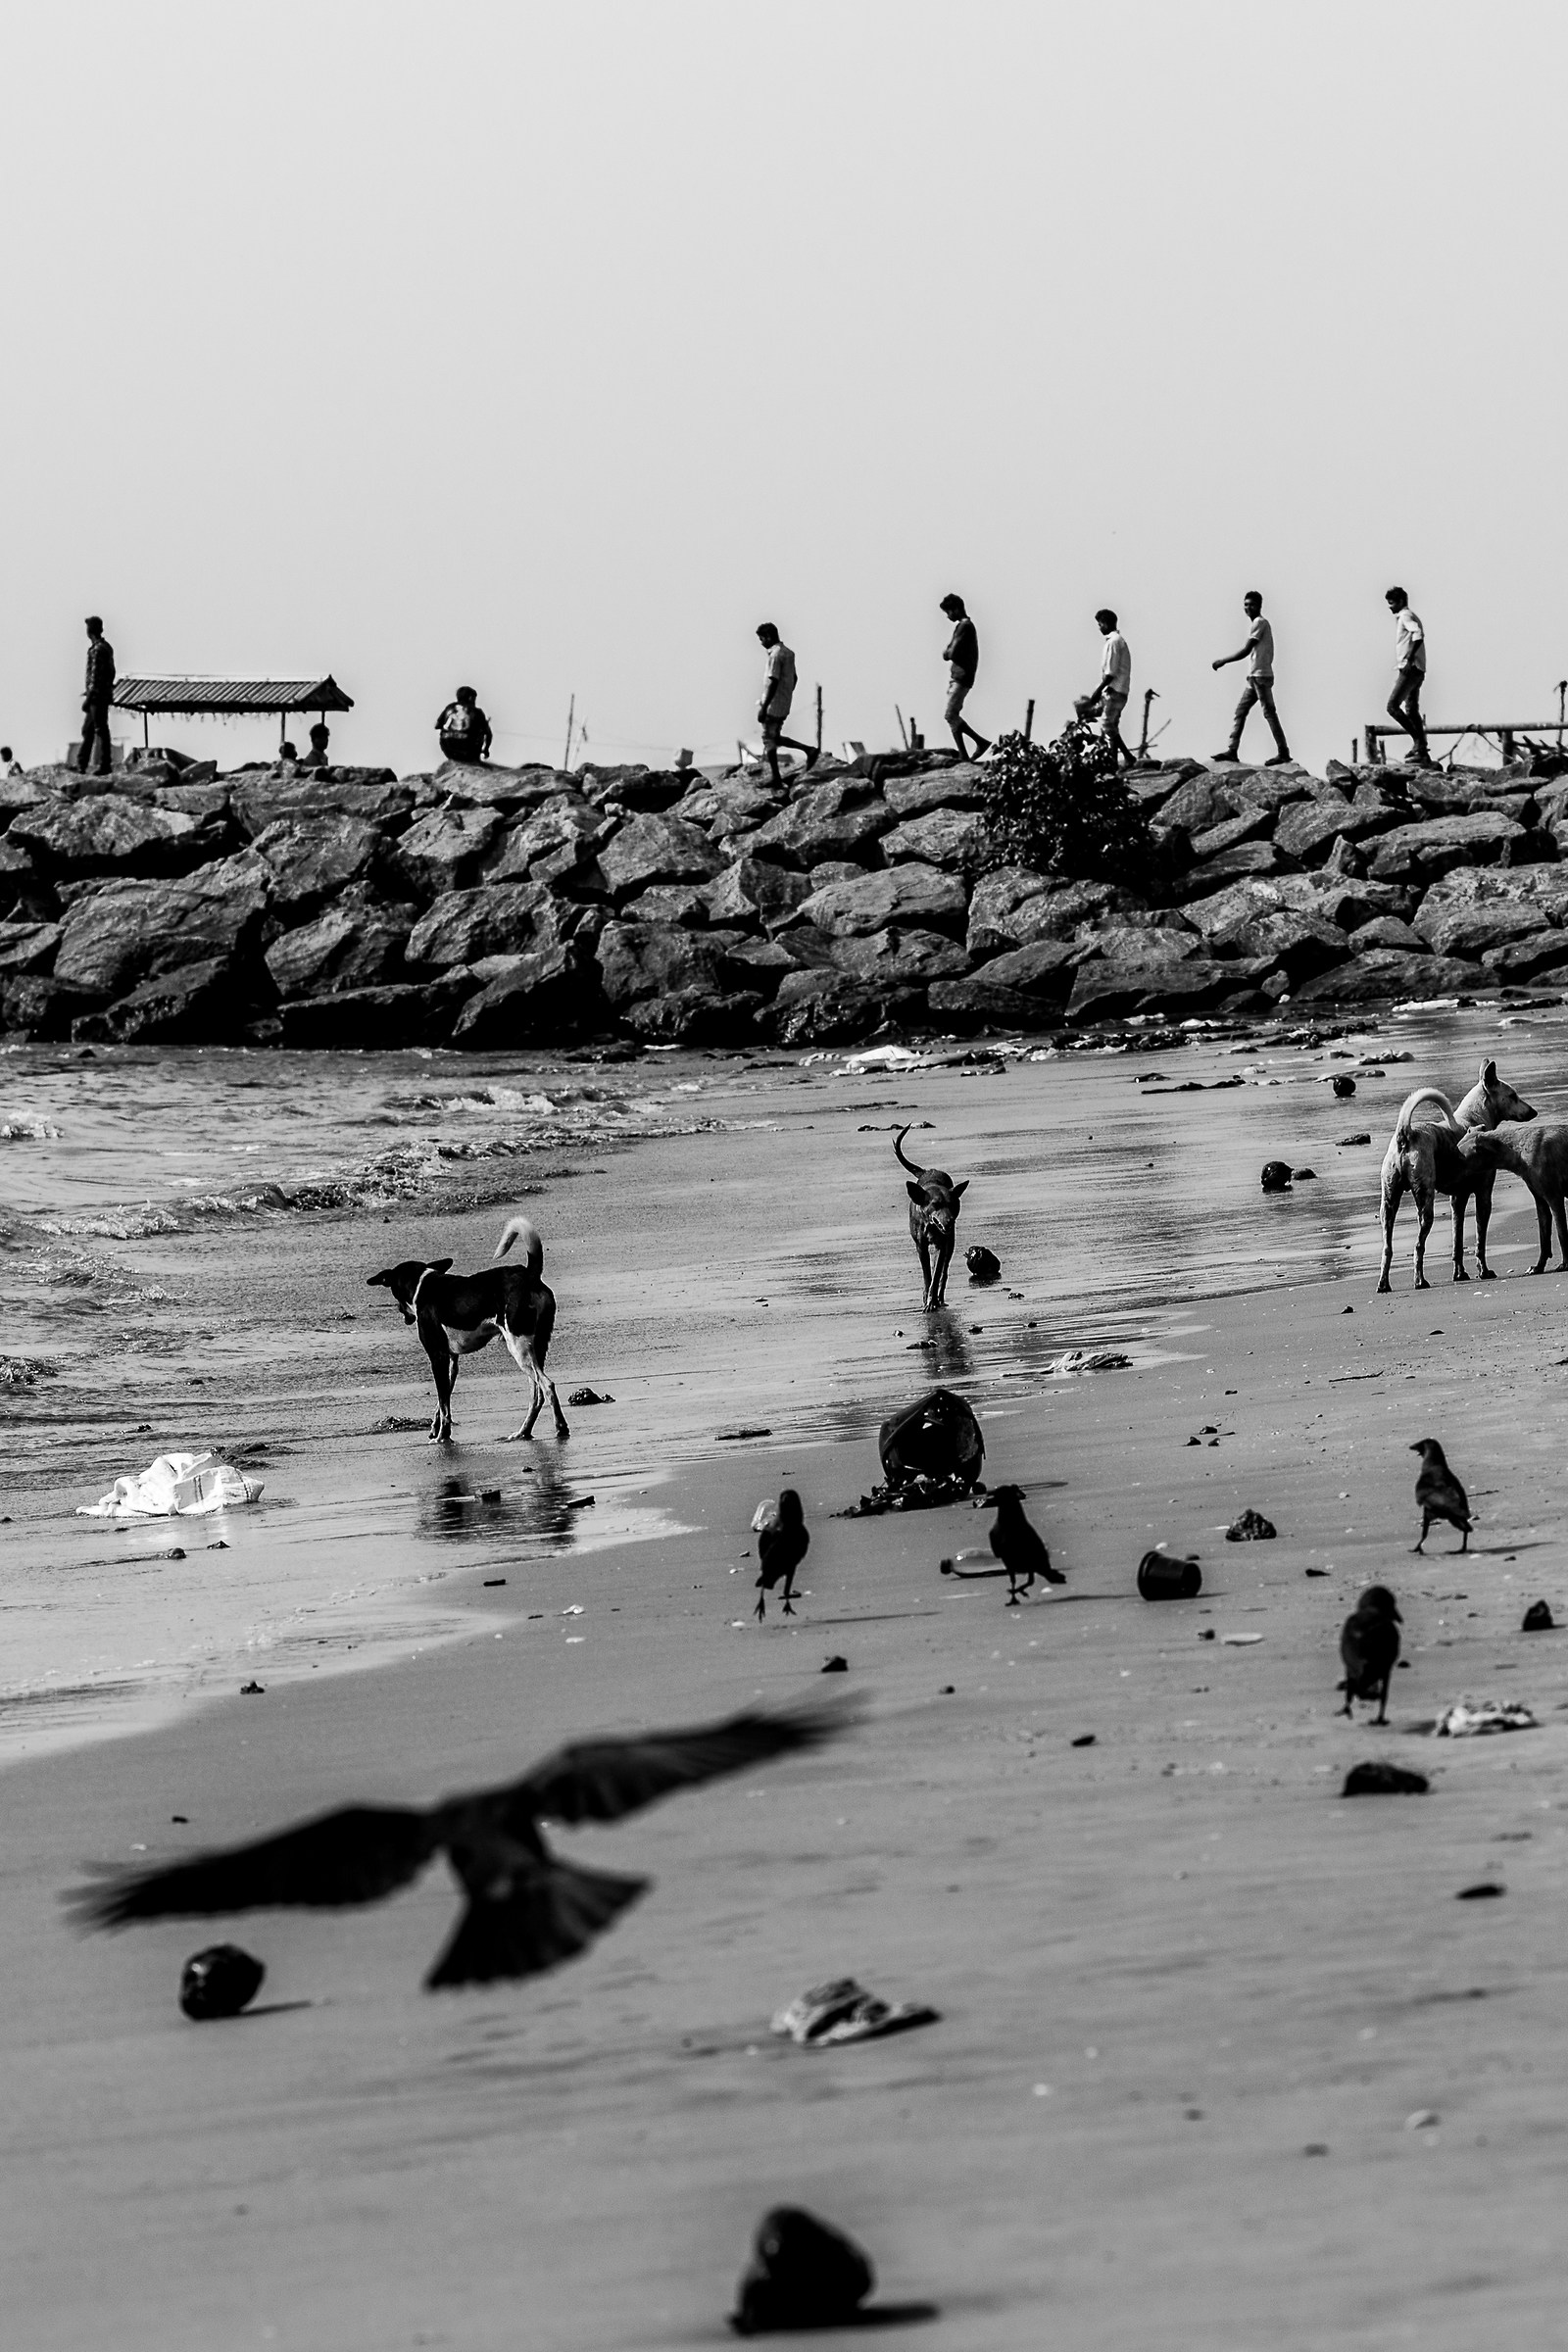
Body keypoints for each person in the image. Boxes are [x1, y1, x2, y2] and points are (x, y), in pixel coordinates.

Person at [1210, 591, 1292, 765]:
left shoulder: (1259, 623)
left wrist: (1224, 661)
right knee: (1241, 711)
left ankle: (1283, 752)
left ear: (1259, 606)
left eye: (1252, 605)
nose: (1248, 608)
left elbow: (1247, 650)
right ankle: (1232, 750)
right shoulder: (1257, 623)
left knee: (1269, 713)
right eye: (1246, 605)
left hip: (1261, 676)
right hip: (1254, 677)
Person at [754, 623, 817, 786]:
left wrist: (764, 707)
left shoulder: (775, 655)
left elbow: (773, 680)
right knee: (774, 737)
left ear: (768, 637)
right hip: (783, 702)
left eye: (762, 639)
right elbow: (794, 678)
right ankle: (809, 750)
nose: (761, 643)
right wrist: (787, 694)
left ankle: (776, 777)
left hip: (773, 704)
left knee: (768, 738)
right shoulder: (788, 653)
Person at [938, 593, 990, 760]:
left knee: (950, 715)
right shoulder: (963, 627)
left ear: (956, 609)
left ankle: (975, 746)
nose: (948, 616)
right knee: (952, 715)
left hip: (962, 676)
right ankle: (966, 753)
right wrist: (948, 651)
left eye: (948, 612)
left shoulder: (965, 627)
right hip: (959, 675)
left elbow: (951, 652)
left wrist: (948, 652)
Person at [1081, 609, 1135, 769]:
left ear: (1106, 624)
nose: (1099, 628)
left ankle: (1127, 756)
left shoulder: (1113, 642)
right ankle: (1113, 762)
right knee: (1112, 726)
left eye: (1100, 624)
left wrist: (1097, 692)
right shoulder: (1117, 641)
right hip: (1119, 689)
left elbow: (1110, 672)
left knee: (1107, 724)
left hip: (1115, 690)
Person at [1385, 587, 1433, 766]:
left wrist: (1409, 659)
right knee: (1411, 709)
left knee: (1392, 706)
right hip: (1417, 669)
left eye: (1392, 603)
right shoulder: (1406, 616)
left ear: (1401, 602)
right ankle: (1421, 748)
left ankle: (1418, 742)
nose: (1390, 607)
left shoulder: (1405, 616)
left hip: (1410, 669)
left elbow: (1418, 635)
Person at [78, 615, 116, 776]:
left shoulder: (97, 650)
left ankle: (104, 764)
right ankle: (82, 764)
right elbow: (111, 673)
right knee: (89, 730)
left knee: (100, 730)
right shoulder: (105, 647)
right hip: (102, 695)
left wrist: (88, 699)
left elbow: (94, 677)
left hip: (96, 697)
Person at [435, 686, 492, 765]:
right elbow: (488, 734)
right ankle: (475, 759)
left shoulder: (449, 708)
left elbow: (437, 726)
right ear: (470, 698)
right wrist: (486, 750)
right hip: (467, 750)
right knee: (483, 730)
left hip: (448, 749)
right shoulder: (477, 712)